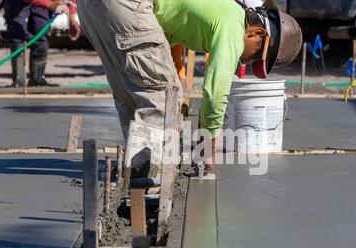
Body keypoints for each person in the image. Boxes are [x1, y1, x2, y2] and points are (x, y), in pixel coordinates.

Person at [78, 0, 302, 175]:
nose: (246, 62)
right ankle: (148, 178)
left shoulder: (220, 11)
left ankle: (138, 168)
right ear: (256, 33)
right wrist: (208, 147)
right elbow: (215, 93)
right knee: (165, 92)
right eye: (255, 56)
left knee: (131, 94)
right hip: (126, 5)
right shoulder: (234, 26)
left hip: (92, 7)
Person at [4, 0, 80, 87]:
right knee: (17, 37)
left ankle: (37, 80)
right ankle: (18, 80)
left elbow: (70, 2)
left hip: (42, 4)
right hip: (17, 3)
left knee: (41, 36)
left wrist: (71, 17)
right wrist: (49, 4)